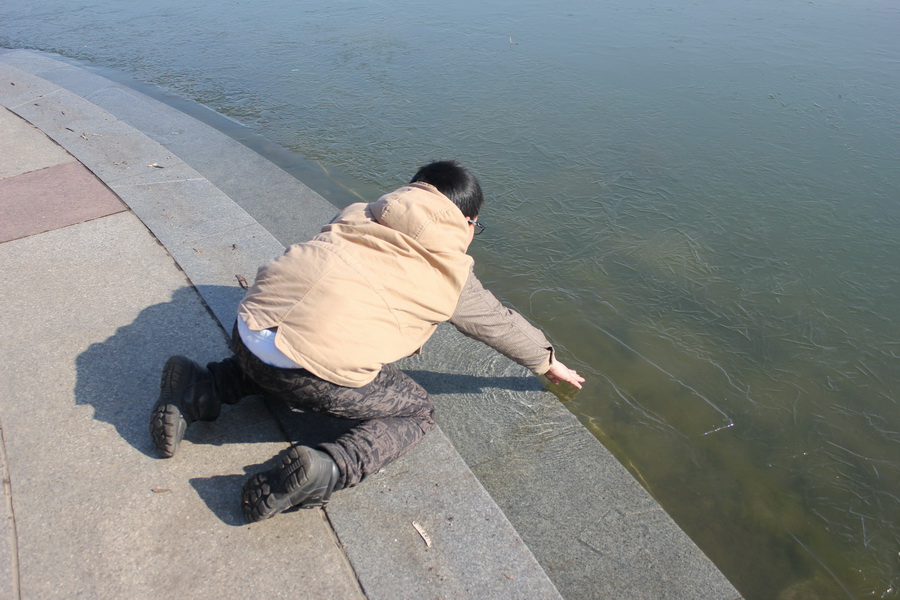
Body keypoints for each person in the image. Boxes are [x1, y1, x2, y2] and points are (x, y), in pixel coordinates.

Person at [149, 160, 584, 523]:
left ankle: (202, 387)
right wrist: (547, 361)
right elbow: (496, 323)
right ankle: (328, 469)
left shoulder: (359, 213)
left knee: (297, 342)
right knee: (417, 412)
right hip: (309, 371)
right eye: (476, 225)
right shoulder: (451, 270)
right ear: (466, 222)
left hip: (246, 330)